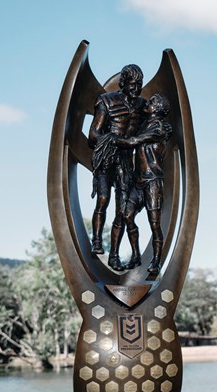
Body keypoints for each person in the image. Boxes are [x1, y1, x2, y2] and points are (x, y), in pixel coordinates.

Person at [88, 64, 146, 269]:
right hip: (107, 155)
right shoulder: (107, 101)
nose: (135, 89)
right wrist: (114, 140)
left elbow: (152, 124)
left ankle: (114, 255)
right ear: (122, 84)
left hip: (126, 161)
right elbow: (93, 134)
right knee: (103, 198)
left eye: (139, 85)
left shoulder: (142, 105)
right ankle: (96, 240)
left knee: (122, 211)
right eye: (132, 85)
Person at [113, 93, 173, 273]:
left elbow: (133, 141)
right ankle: (136, 256)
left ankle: (156, 261)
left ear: (158, 109)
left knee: (154, 224)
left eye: (153, 101)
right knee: (126, 215)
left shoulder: (159, 128)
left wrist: (111, 140)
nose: (149, 102)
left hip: (152, 182)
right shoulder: (144, 125)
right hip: (138, 182)